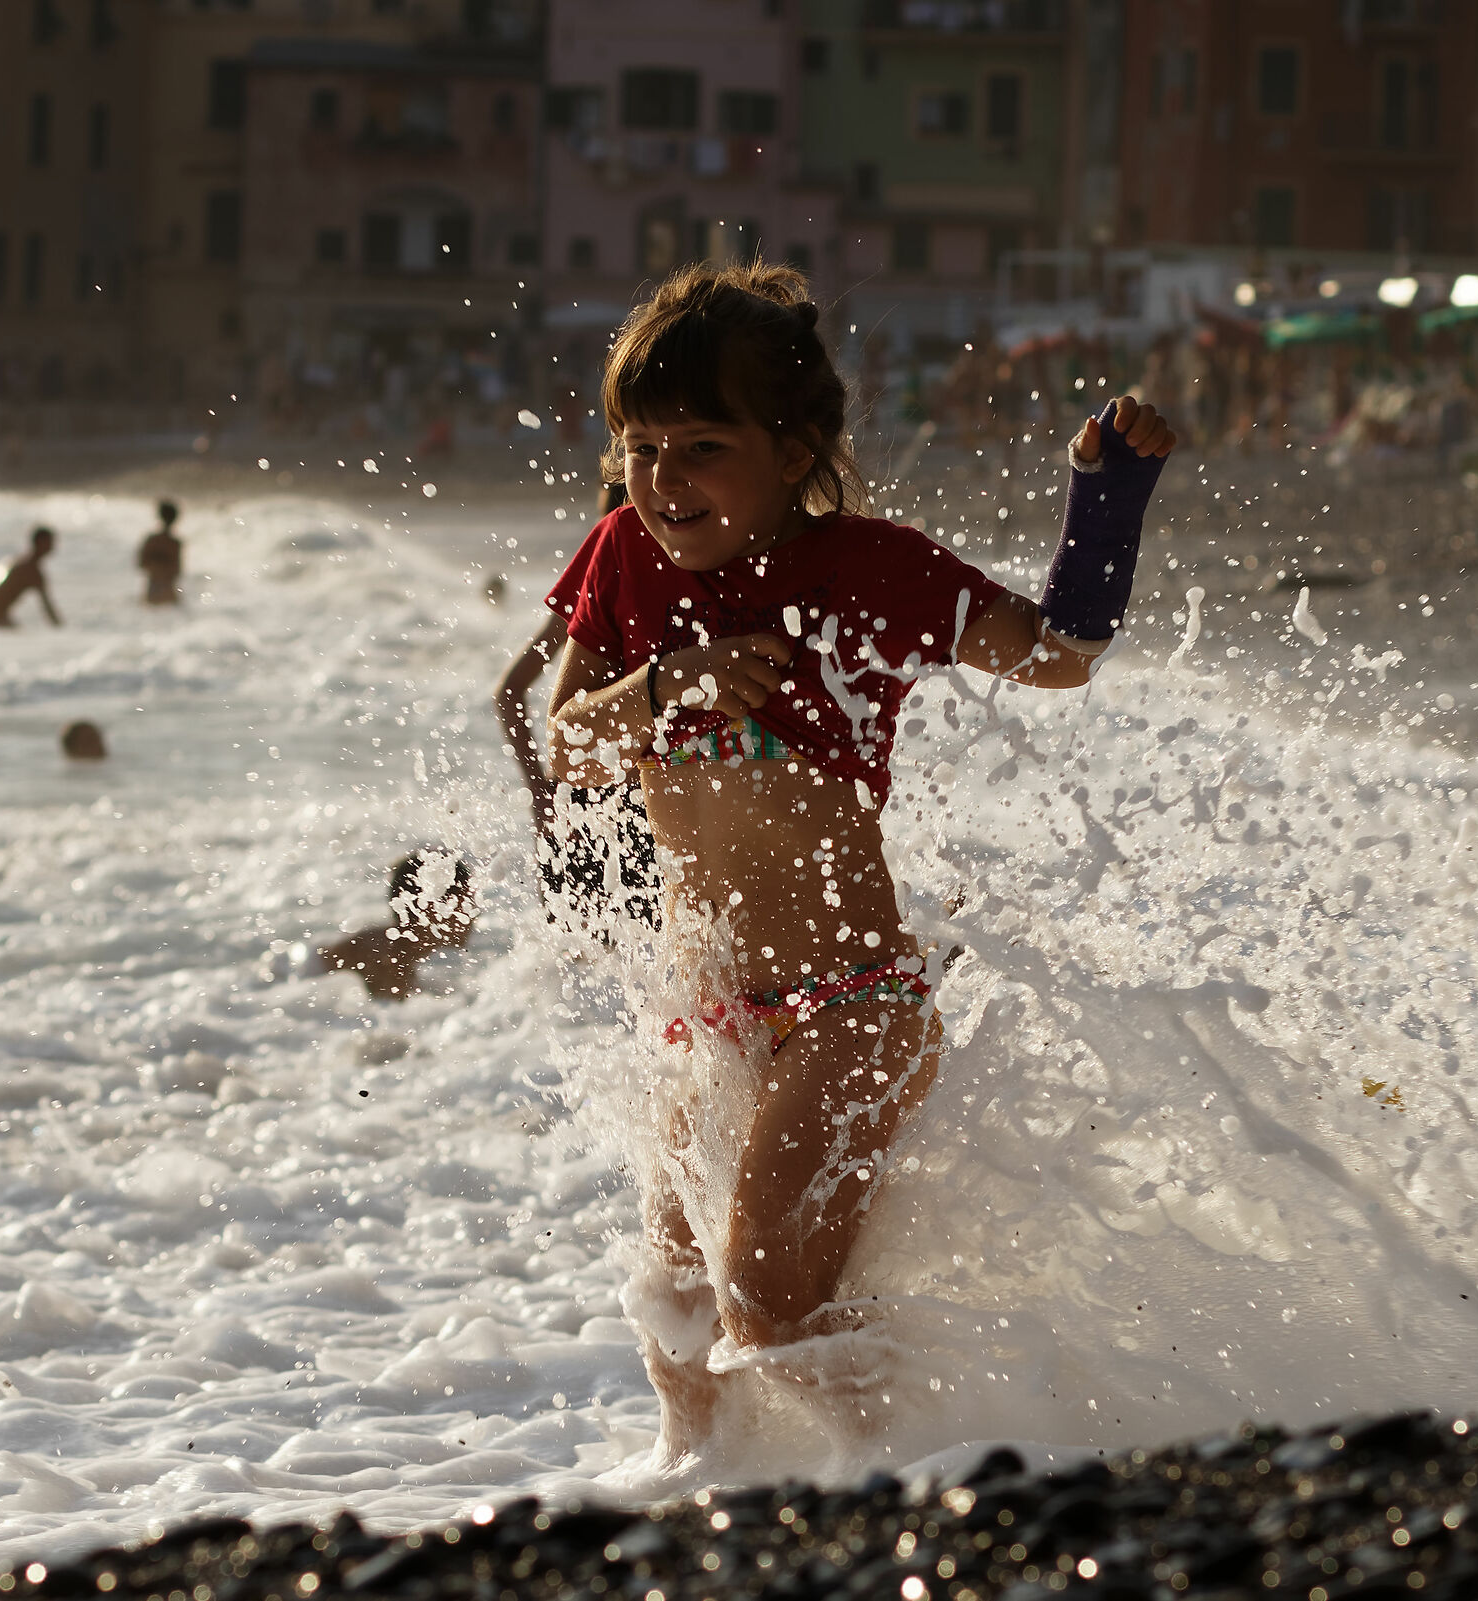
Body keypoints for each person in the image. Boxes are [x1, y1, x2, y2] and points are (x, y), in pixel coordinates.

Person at [542, 262, 1173, 1466]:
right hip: (710, 1012)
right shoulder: (623, 555)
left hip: (853, 1003)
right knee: (677, 1321)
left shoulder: (872, 570)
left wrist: (1106, 507)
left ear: (794, 451)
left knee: (765, 1294)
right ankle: (704, 1497)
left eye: (704, 447)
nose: (664, 479)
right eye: (643, 446)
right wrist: (667, 683)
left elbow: (1058, 655)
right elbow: (569, 743)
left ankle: (909, 1482)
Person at [497, 480, 659, 931]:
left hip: (588, 801)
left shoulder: (612, 587)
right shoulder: (602, 586)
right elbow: (508, 693)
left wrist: (540, 794)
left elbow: (510, 693)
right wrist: (539, 795)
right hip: (619, 803)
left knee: (579, 958)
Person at [317, 851, 477, 1001]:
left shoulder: (410, 956)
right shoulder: (384, 959)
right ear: (429, 908)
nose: (474, 914)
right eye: (466, 904)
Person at [0, 525, 63, 627]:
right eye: (50, 542)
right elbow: (47, 607)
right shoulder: (32, 571)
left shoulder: (16, 562)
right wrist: (61, 628)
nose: (53, 546)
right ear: (39, 542)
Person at [139, 501, 184, 606]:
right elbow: (177, 570)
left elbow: (142, 563)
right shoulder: (175, 543)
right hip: (169, 590)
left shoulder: (152, 540)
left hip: (153, 590)